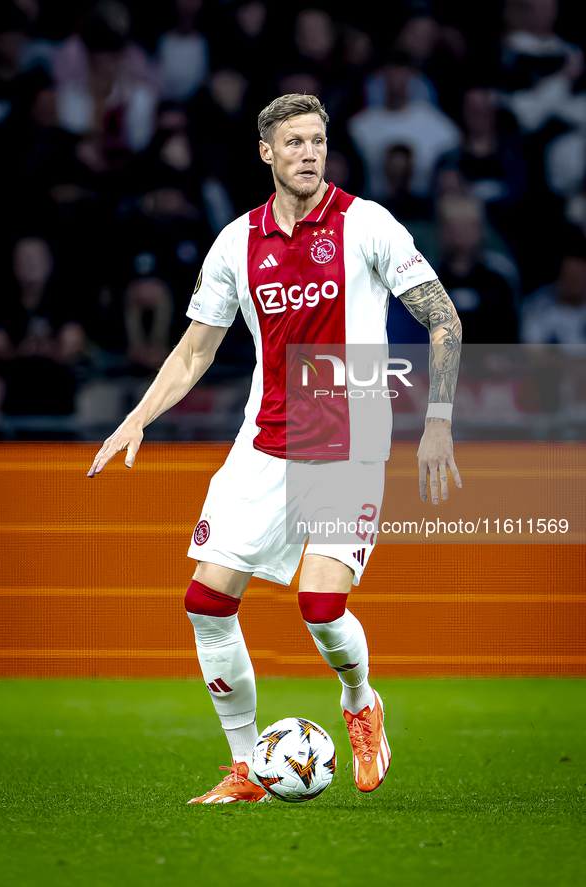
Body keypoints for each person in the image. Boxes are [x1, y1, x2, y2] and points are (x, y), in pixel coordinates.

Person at [88, 94, 462, 804]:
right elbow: (196, 345)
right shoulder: (236, 241)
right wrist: (138, 416)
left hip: (346, 437)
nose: (308, 153)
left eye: (317, 141)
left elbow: (442, 317)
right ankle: (242, 769)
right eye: (293, 142)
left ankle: (360, 701)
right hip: (261, 446)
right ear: (266, 151)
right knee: (204, 601)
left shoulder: (365, 223)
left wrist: (437, 420)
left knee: (319, 607)